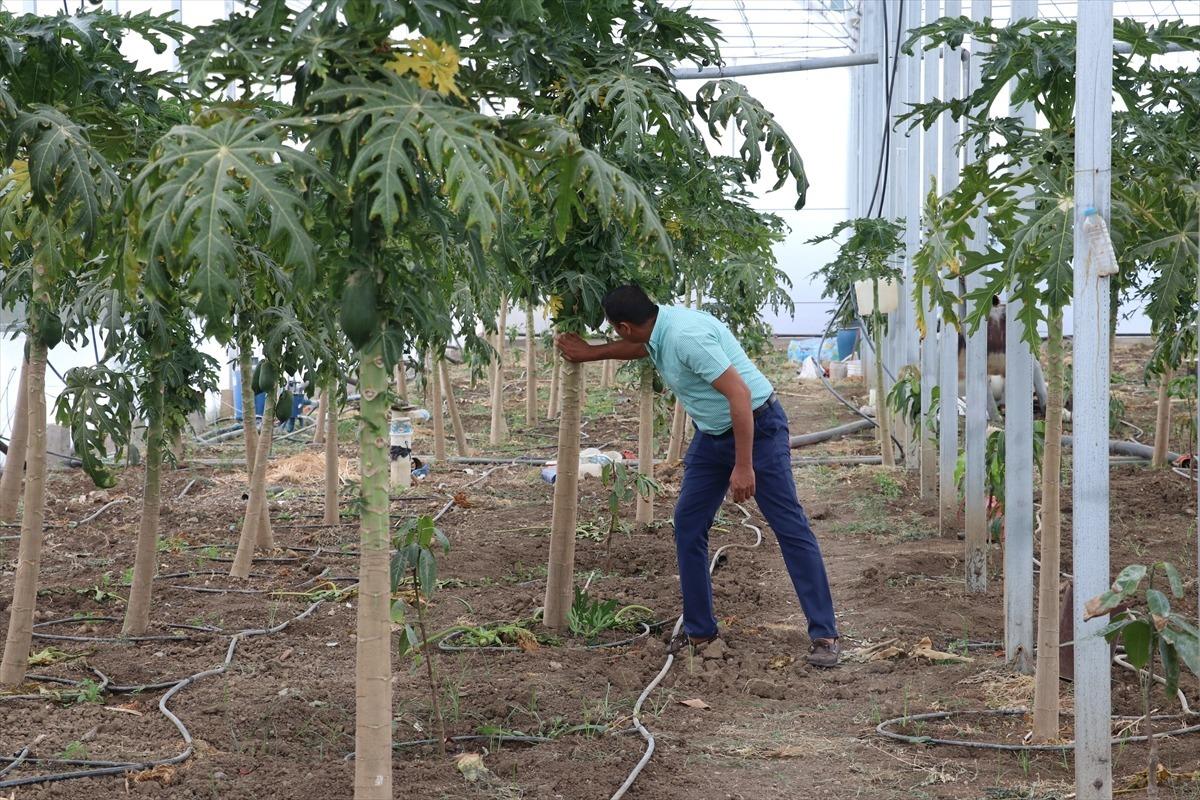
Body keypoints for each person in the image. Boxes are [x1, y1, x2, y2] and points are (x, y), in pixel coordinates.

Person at [556, 285, 840, 668]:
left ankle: (824, 633)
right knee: (688, 523)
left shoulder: (685, 337)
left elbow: (739, 395)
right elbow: (642, 347)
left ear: (623, 325)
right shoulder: (659, 327)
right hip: (712, 435)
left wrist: (743, 466)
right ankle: (700, 631)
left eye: (614, 332)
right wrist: (592, 353)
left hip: (756, 428)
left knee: (789, 526)